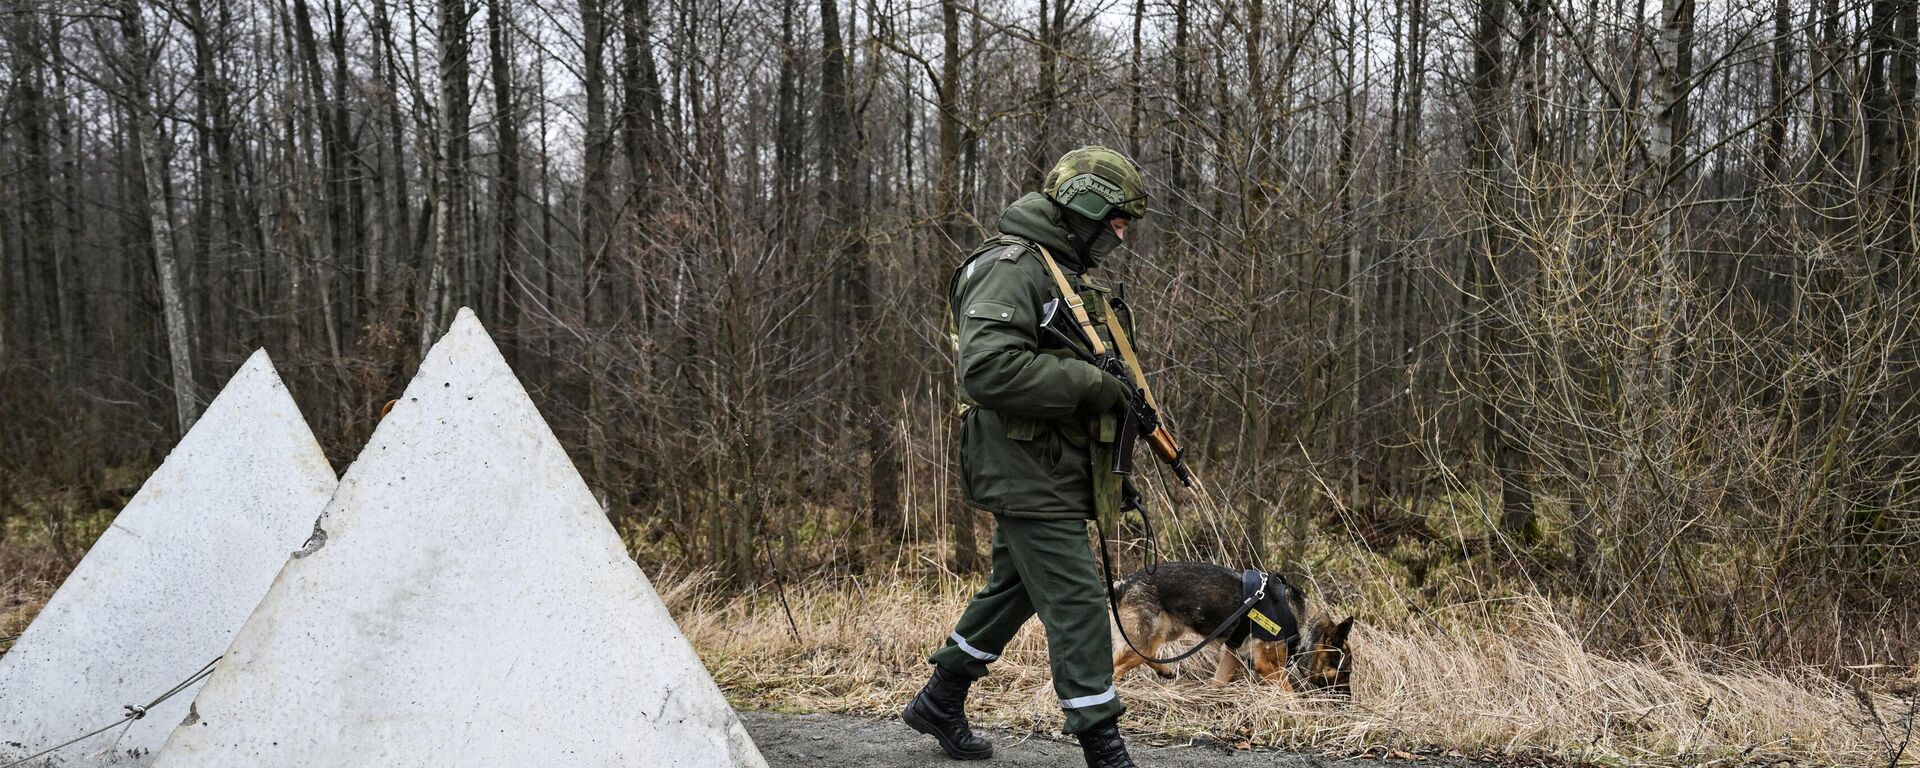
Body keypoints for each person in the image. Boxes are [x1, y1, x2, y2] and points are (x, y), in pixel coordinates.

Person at [902, 146, 1150, 768]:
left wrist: (1113, 477)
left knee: (1013, 588)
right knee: (1077, 603)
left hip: (1052, 465)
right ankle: (1103, 744)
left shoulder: (1063, 272)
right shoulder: (1013, 268)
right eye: (1115, 221)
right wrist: (1093, 385)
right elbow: (985, 369)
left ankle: (942, 696)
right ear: (1084, 211)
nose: (1121, 235)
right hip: (1021, 466)